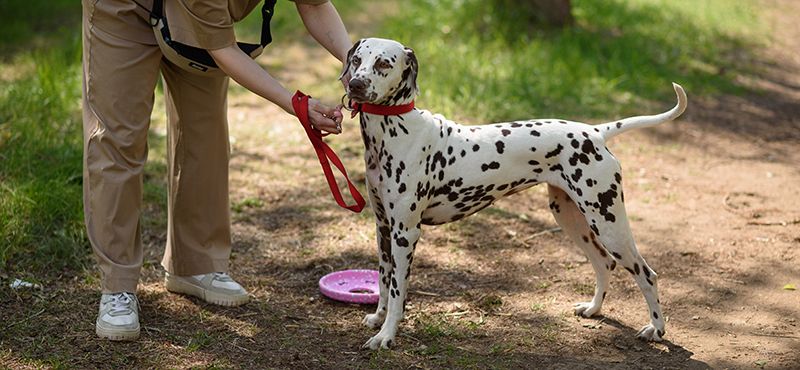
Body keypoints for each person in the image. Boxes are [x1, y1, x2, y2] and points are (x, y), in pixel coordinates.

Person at [81, 0, 351, 341]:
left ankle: (196, 264)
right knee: (118, 140)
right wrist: (296, 104)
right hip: (123, 8)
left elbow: (314, 4)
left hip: (197, 16)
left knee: (204, 133)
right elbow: (221, 48)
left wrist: (355, 60)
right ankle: (117, 286)